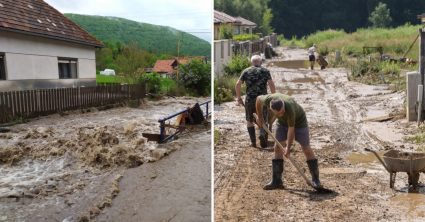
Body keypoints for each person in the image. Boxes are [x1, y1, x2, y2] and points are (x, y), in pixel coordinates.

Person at [255, 93, 321, 190]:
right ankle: (277, 181)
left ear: (283, 105)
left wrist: (288, 148)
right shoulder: (269, 99)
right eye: (278, 114)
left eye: (282, 112)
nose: (281, 114)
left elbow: (291, 130)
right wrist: (260, 118)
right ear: (271, 109)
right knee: (277, 148)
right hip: (282, 123)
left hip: (299, 122)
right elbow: (258, 99)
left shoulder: (289, 108)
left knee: (306, 148)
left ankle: (316, 180)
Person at [235, 54, 276, 148]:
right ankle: (262, 134)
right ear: (260, 62)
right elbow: (271, 84)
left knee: (249, 121)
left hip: (250, 99)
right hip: (262, 99)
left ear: (251, 62)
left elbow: (238, 84)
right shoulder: (265, 71)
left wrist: (239, 98)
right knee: (264, 118)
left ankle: (253, 143)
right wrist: (274, 97)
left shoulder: (246, 71)